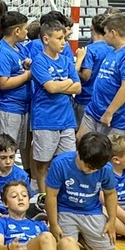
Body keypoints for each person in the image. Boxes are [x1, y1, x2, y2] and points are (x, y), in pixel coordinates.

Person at [45, 133, 118, 250]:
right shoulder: (60, 163)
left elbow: (110, 193)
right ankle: (75, 236)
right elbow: (51, 196)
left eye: (95, 169)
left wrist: (112, 221)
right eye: (88, 166)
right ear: (78, 153)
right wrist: (54, 224)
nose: (90, 171)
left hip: (91, 211)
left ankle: (82, 239)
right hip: (65, 209)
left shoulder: (106, 168)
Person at [29, 19, 81, 193]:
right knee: (43, 162)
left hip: (66, 120)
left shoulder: (66, 61)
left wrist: (60, 84)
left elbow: (78, 87)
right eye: (59, 38)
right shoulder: (39, 61)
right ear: (46, 39)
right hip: (45, 119)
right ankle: (43, 195)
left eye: (64, 38)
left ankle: (62, 194)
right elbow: (50, 88)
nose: (63, 42)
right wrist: (67, 83)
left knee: (68, 161)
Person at [79, 13, 125, 138]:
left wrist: (109, 112)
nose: (104, 36)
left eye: (106, 32)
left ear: (113, 33)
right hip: (94, 109)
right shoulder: (113, 51)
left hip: (116, 117)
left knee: (110, 152)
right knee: (81, 140)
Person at [0, 11, 32, 151]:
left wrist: (26, 65)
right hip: (8, 108)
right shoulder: (1, 53)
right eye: (25, 28)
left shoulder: (20, 47)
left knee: (14, 149)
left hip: (22, 108)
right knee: (5, 150)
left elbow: (19, 68)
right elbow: (3, 83)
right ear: (17, 31)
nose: (27, 32)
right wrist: (27, 75)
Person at [75, 13, 112, 128]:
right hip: (106, 99)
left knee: (85, 139)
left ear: (92, 28)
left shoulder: (89, 50)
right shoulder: (113, 48)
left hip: (86, 98)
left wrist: (76, 68)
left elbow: (86, 75)